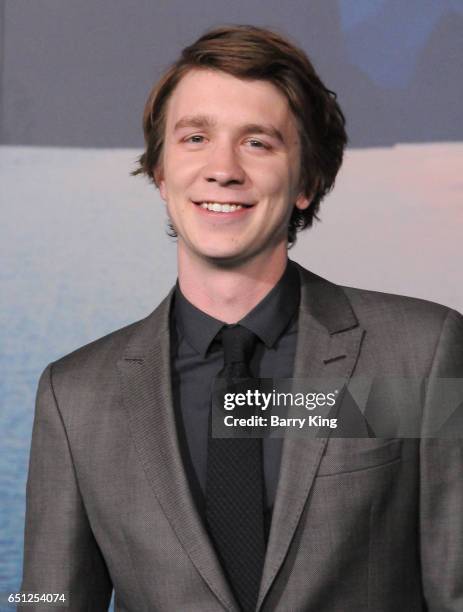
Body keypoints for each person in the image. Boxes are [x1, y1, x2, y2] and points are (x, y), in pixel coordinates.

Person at [21, 25, 463, 612]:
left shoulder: (421, 355)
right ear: (159, 171)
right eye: (196, 137)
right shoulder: (74, 397)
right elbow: (48, 600)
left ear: (307, 181)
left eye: (258, 142)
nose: (222, 169)